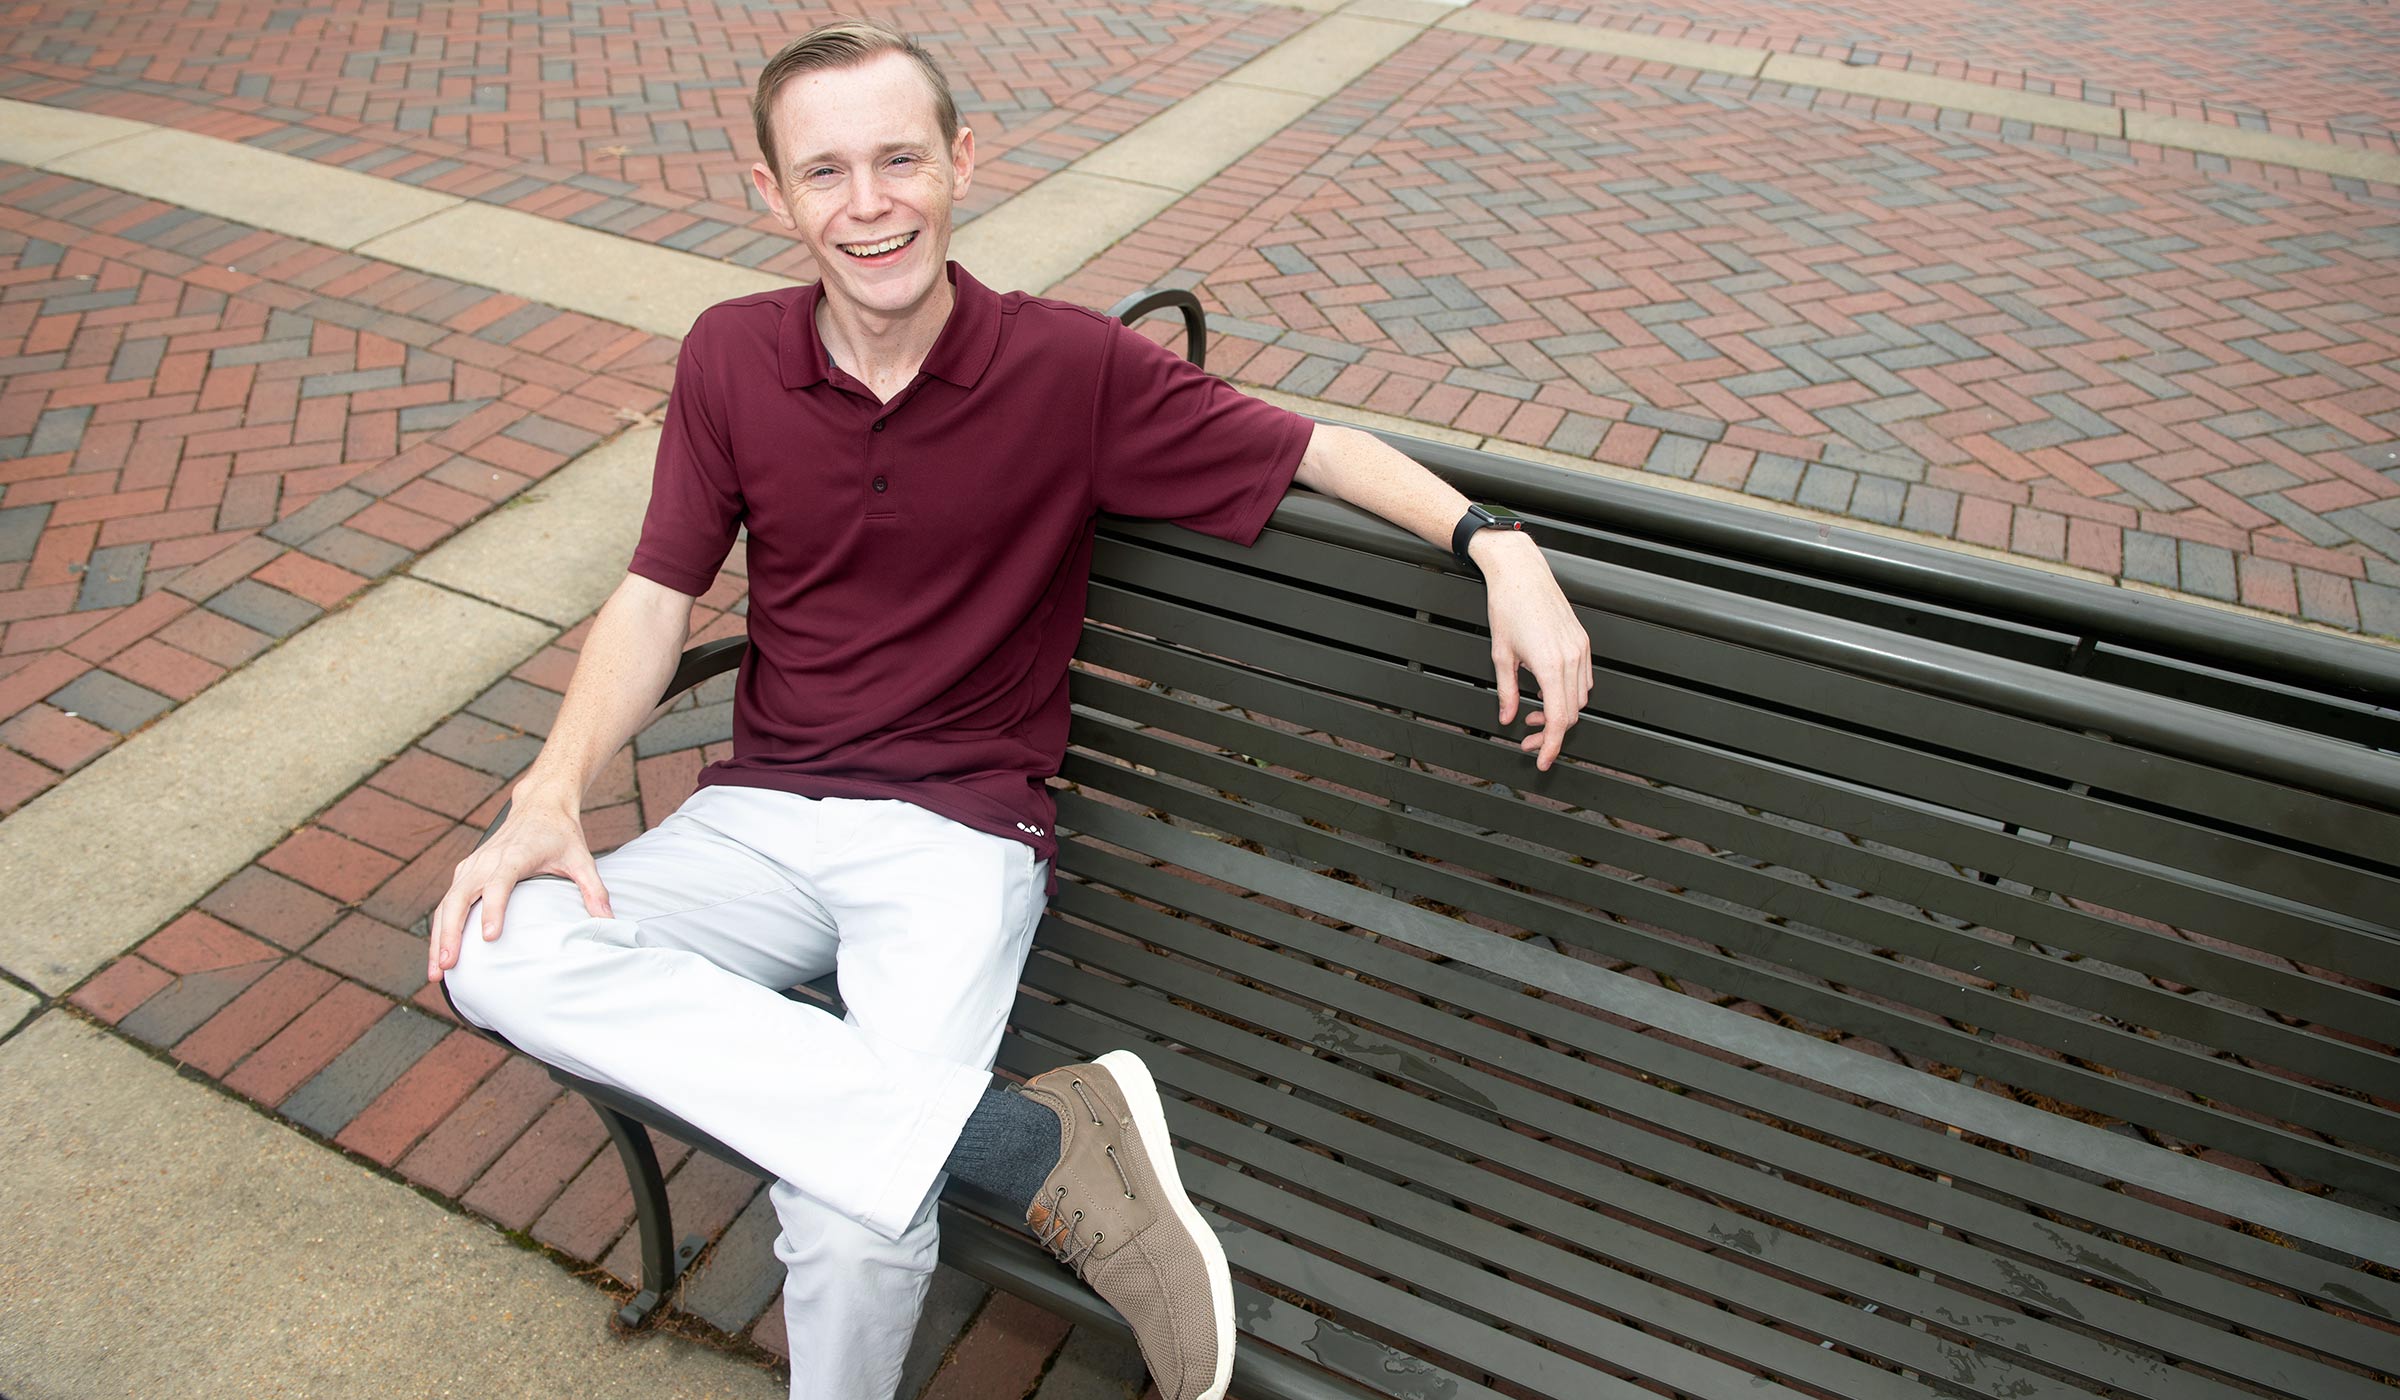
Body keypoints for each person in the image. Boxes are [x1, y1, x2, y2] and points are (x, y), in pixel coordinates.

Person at [427, 19, 1591, 1400]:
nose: (869, 205)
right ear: (773, 195)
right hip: (756, 820)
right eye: (826, 173)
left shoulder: (1069, 369)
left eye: (900, 159)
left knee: (854, 1220)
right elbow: (653, 593)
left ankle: (964, 1148)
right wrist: (546, 796)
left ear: (962, 163)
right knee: (491, 946)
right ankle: (1020, 1143)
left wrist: (1496, 542)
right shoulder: (731, 354)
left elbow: (1311, 446)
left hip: (956, 838)